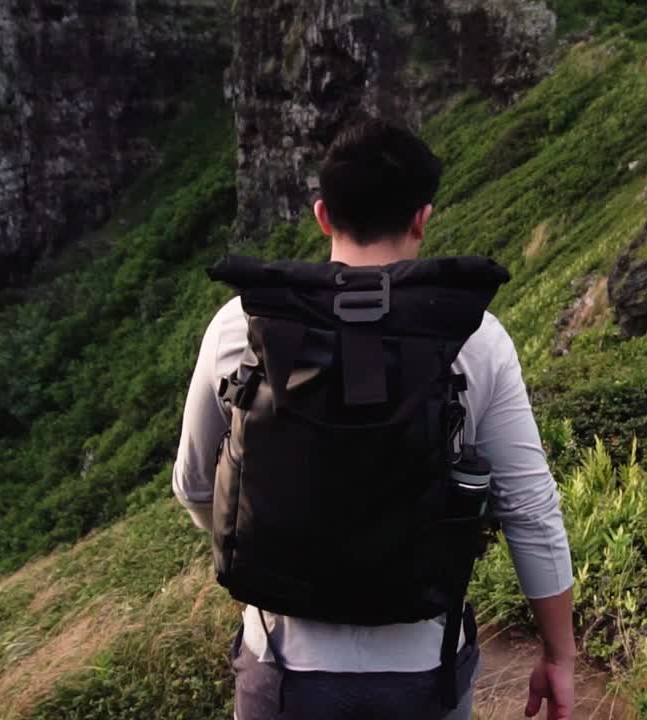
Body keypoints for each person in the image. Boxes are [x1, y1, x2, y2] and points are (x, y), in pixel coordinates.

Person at [172, 118, 575, 719]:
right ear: (422, 217)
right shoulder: (474, 337)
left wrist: (263, 540)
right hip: (423, 670)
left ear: (322, 215)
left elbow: (194, 483)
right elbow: (530, 507)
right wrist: (559, 654)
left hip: (281, 665)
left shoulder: (241, 324)